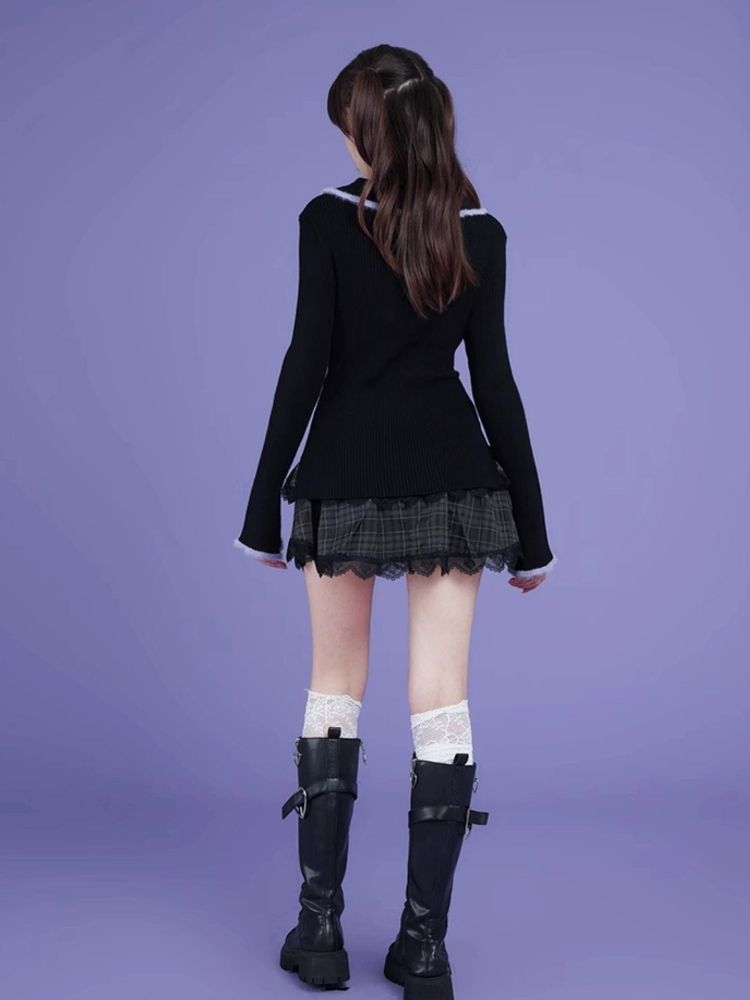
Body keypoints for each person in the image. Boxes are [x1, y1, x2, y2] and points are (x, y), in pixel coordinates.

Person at [233, 43, 557, 1000]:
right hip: (456, 481)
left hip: (342, 477)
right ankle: (424, 948)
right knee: (441, 700)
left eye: (347, 126)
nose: (342, 141)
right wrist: (532, 534)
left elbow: (306, 364)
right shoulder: (480, 233)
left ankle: (319, 930)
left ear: (368, 134)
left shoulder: (326, 222)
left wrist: (261, 509)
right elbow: (495, 387)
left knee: (335, 685)